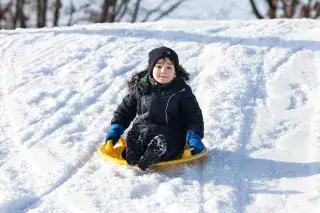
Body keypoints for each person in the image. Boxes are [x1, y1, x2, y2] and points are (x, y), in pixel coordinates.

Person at [104, 46, 205, 171]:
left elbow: (193, 115)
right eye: (159, 66)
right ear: (151, 68)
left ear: (175, 71)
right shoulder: (141, 88)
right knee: (137, 137)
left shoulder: (181, 90)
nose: (164, 71)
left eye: (169, 67)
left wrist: (194, 135)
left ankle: (156, 152)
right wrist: (116, 128)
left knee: (167, 144)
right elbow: (125, 109)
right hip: (143, 129)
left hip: (172, 133)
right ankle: (132, 151)